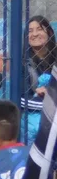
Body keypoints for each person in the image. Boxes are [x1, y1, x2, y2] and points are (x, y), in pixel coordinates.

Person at [19, 15, 56, 143]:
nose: (34, 34)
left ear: (49, 32)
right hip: (31, 126)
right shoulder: (22, 63)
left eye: (39, 29)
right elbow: (21, 99)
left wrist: (50, 94)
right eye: (30, 31)